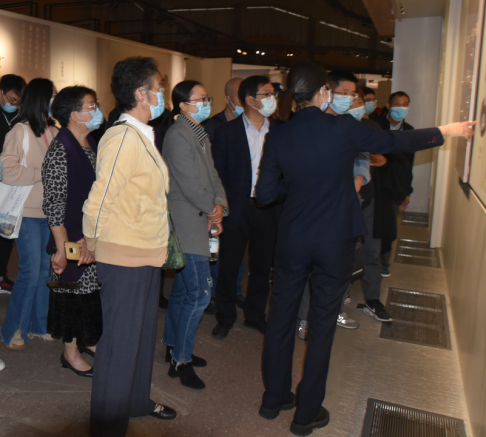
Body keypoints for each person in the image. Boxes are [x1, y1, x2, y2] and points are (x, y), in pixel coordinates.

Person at [256, 60, 475, 436]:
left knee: (281, 318)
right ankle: (306, 415)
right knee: (322, 325)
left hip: (292, 239)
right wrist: (446, 131)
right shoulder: (342, 128)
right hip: (335, 240)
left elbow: (265, 195)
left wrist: (300, 188)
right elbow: (395, 142)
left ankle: (273, 399)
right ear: (323, 92)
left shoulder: (278, 135)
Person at [83, 57, 176, 436]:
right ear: (141, 93)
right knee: (120, 344)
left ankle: (135, 401)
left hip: (146, 252)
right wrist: (91, 241)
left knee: (140, 337)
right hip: (124, 255)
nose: (163, 93)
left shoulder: (141, 132)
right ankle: (107, 426)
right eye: (159, 87)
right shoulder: (122, 136)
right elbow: (100, 198)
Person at [162, 80, 228, 390]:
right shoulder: (178, 135)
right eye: (200, 99)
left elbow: (212, 174)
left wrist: (220, 206)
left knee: (182, 291)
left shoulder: (198, 133)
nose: (206, 103)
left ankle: (173, 346)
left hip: (201, 217)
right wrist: (212, 209)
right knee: (199, 294)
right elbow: (188, 183)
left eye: (207, 98)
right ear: (183, 104)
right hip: (187, 222)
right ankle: (181, 360)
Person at [297, 86, 370, 338]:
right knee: (313, 266)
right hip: (317, 209)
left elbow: (363, 159)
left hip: (346, 207)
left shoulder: (353, 129)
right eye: (348, 98)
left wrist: (355, 183)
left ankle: (335, 311)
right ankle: (305, 318)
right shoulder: (319, 126)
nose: (353, 103)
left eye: (356, 100)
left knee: (342, 267)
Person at [42, 86, 105, 377]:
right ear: (74, 115)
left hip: (90, 234)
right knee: (70, 293)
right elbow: (54, 204)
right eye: (91, 106)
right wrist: (61, 249)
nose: (97, 110)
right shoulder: (60, 150)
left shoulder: (90, 142)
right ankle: (70, 352)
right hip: (69, 237)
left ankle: (88, 340)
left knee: (89, 293)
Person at [211, 75, 279, 340]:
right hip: (236, 207)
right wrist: (219, 206)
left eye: (273, 94)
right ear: (250, 99)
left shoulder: (280, 130)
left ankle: (255, 316)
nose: (272, 99)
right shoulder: (227, 132)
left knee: (261, 267)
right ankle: (225, 316)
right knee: (229, 266)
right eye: (267, 94)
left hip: (268, 208)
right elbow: (217, 174)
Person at [0, 78, 58, 351]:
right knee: (31, 270)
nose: (55, 102)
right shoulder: (19, 131)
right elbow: (8, 171)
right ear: (40, 99)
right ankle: (12, 328)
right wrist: (42, 173)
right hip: (25, 211)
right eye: (52, 97)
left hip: (50, 213)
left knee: (45, 270)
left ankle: (38, 325)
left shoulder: (54, 131)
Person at [202, 77, 245, 314]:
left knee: (237, 251)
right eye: (240, 96)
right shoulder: (213, 126)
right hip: (218, 198)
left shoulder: (248, 125)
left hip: (239, 199)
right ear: (228, 99)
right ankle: (213, 294)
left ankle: (234, 290)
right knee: (215, 250)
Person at [375, 91, 414, 278]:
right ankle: (366, 260)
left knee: (389, 227)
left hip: (395, 185)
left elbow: (409, 164)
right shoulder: (376, 125)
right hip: (375, 183)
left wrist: (407, 191)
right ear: (389, 106)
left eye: (404, 104)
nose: (401, 107)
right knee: (370, 223)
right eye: (397, 104)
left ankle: (384, 261)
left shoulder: (410, 131)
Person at [0, 74, 27, 293]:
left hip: (13, 184)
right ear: (1, 93)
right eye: (11, 100)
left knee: (6, 230)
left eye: (18, 101)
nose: (14, 104)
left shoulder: (23, 118)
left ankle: (1, 276)